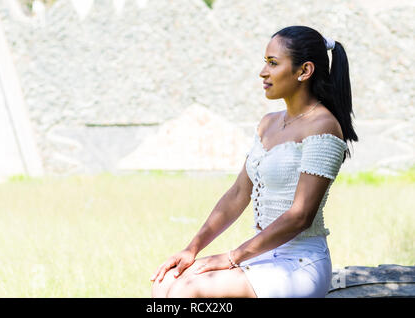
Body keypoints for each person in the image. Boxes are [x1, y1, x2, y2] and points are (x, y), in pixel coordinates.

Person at [150, 25, 358, 298]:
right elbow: (238, 194)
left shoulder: (323, 126)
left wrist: (231, 257)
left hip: (298, 265)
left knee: (187, 292)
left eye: (273, 63)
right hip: (262, 255)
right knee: (166, 282)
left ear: (304, 71)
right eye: (265, 62)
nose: (263, 72)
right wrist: (192, 249)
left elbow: (300, 216)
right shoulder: (268, 124)